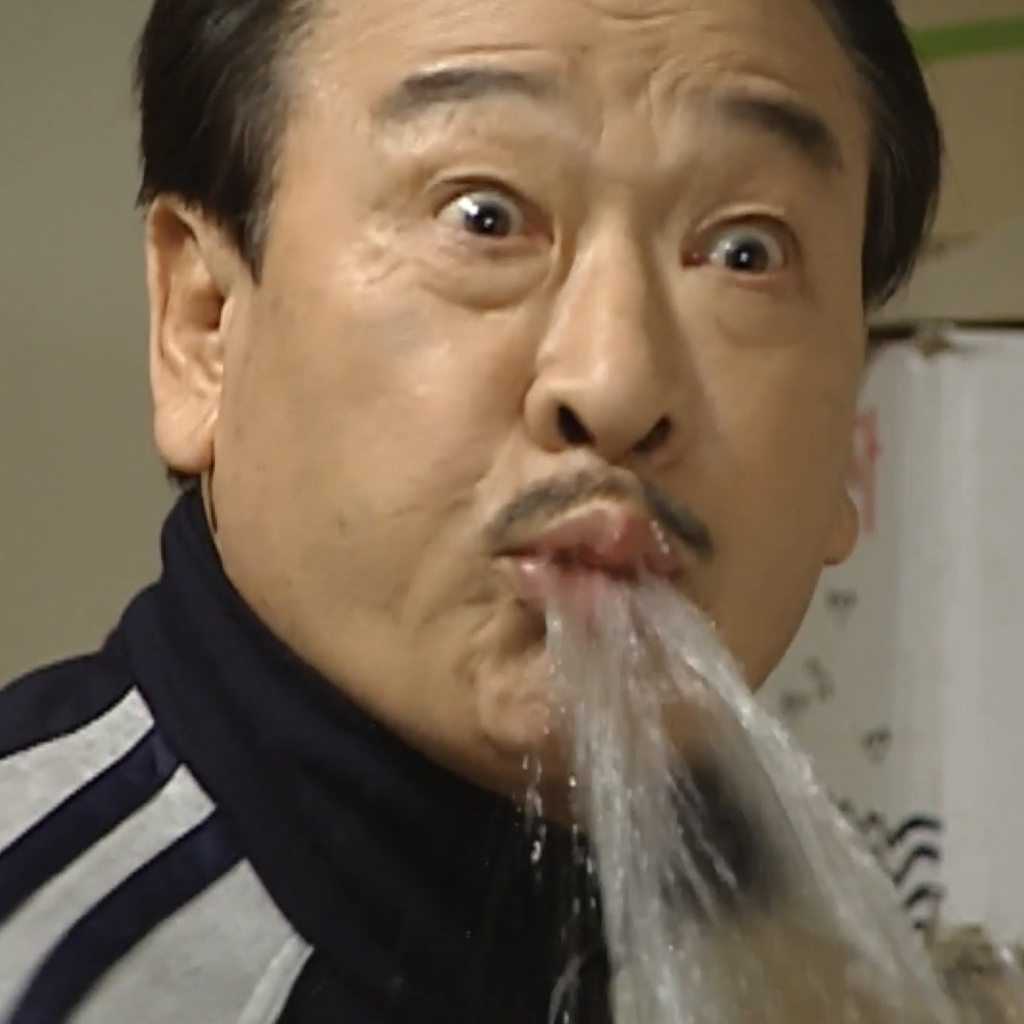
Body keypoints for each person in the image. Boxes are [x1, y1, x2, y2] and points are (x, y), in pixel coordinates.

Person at [0, 0, 943, 1021]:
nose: (617, 385)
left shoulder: (809, 949)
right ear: (205, 325)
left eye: (746, 253)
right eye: (484, 218)